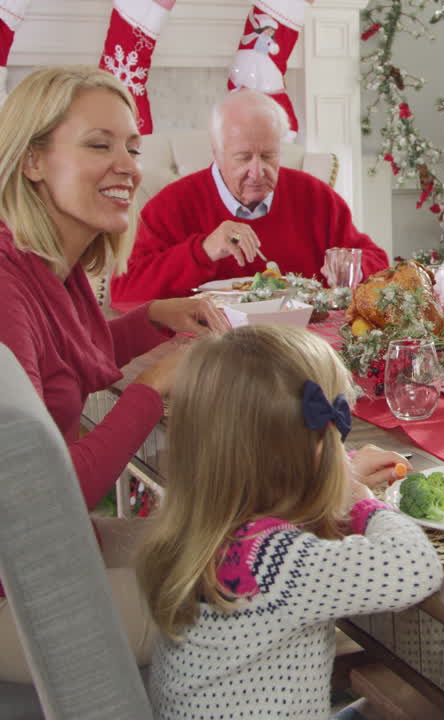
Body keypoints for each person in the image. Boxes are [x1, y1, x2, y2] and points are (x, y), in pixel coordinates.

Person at [0, 65, 231, 682]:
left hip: (37, 552)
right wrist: (153, 392)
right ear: (32, 161)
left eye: (132, 146)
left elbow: (61, 357)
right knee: (266, 597)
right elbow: (40, 498)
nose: (127, 164)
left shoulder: (42, 263)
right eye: (98, 145)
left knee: (234, 546)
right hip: (18, 593)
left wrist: (151, 317)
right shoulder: (5, 285)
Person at [137, 324, 444, 717]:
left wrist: (340, 472)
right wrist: (360, 501)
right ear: (318, 447)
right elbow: (414, 567)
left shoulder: (203, 532)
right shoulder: (278, 562)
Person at [109, 88, 388, 302]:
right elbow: (124, 290)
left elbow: (376, 260)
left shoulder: (314, 196)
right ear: (216, 153)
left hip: (302, 344)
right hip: (207, 352)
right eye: (243, 158)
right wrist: (202, 251)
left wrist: (352, 268)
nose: (258, 171)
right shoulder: (172, 205)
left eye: (268, 156)